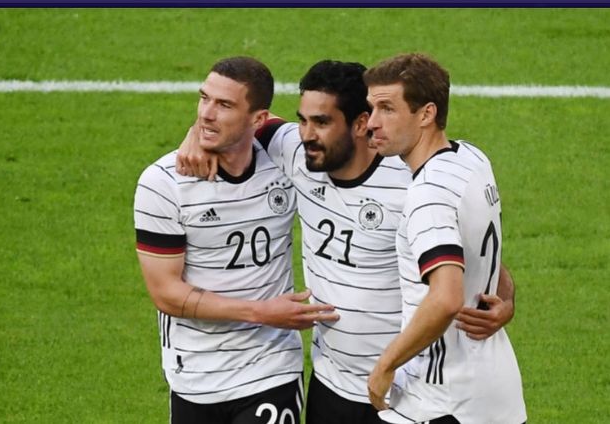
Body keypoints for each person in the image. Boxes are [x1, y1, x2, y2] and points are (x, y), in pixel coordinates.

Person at [177, 60, 517, 424]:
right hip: (330, 385)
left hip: (399, 390)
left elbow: (470, 250)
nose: (306, 133)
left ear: (359, 124)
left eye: (321, 122)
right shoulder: (299, 152)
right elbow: (237, 117)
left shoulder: (410, 183)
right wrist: (195, 135)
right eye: (303, 119)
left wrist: (505, 301)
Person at [133, 56, 339, 424]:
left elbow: (340, 132)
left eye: (224, 105)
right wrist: (262, 312)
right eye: (204, 99)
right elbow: (165, 293)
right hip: (194, 373)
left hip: (270, 368)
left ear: (258, 120)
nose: (206, 114)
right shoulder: (163, 184)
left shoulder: (286, 161)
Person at [364, 53, 526, 423]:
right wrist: (508, 297)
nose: (372, 123)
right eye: (371, 108)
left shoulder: (428, 195)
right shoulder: (471, 159)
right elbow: (486, 249)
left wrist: (385, 366)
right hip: (495, 391)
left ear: (426, 114)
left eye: (387, 109)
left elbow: (447, 298)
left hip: (442, 400)